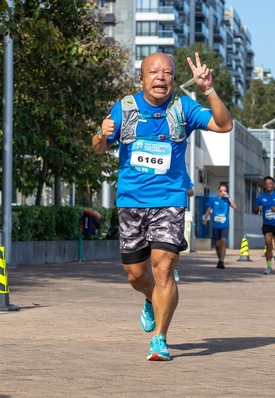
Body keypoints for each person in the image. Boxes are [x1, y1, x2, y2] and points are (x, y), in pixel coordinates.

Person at [92, 52, 232, 361]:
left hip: (170, 200)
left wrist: (208, 89)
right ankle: (149, 298)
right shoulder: (125, 108)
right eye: (154, 72)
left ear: (173, 79)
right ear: (141, 78)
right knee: (136, 276)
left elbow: (224, 126)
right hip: (131, 202)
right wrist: (101, 134)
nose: (161, 77)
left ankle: (160, 339)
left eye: (167, 72)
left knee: (164, 268)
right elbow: (100, 147)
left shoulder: (183, 108)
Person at [253, 176, 275, 275]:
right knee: (268, 245)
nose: (268, 185)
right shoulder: (260, 197)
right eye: (266, 184)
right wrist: (258, 209)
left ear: (274, 185)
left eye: (270, 183)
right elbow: (254, 210)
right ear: (264, 185)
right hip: (267, 225)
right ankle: (269, 267)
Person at [203, 184, 237, 269]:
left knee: (223, 241)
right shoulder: (213, 200)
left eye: (224, 191)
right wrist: (205, 219)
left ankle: (221, 261)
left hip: (225, 224)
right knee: (217, 244)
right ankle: (219, 259)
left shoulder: (227, 200)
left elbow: (234, 206)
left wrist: (229, 197)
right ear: (218, 191)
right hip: (216, 225)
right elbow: (208, 210)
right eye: (221, 191)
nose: (223, 192)